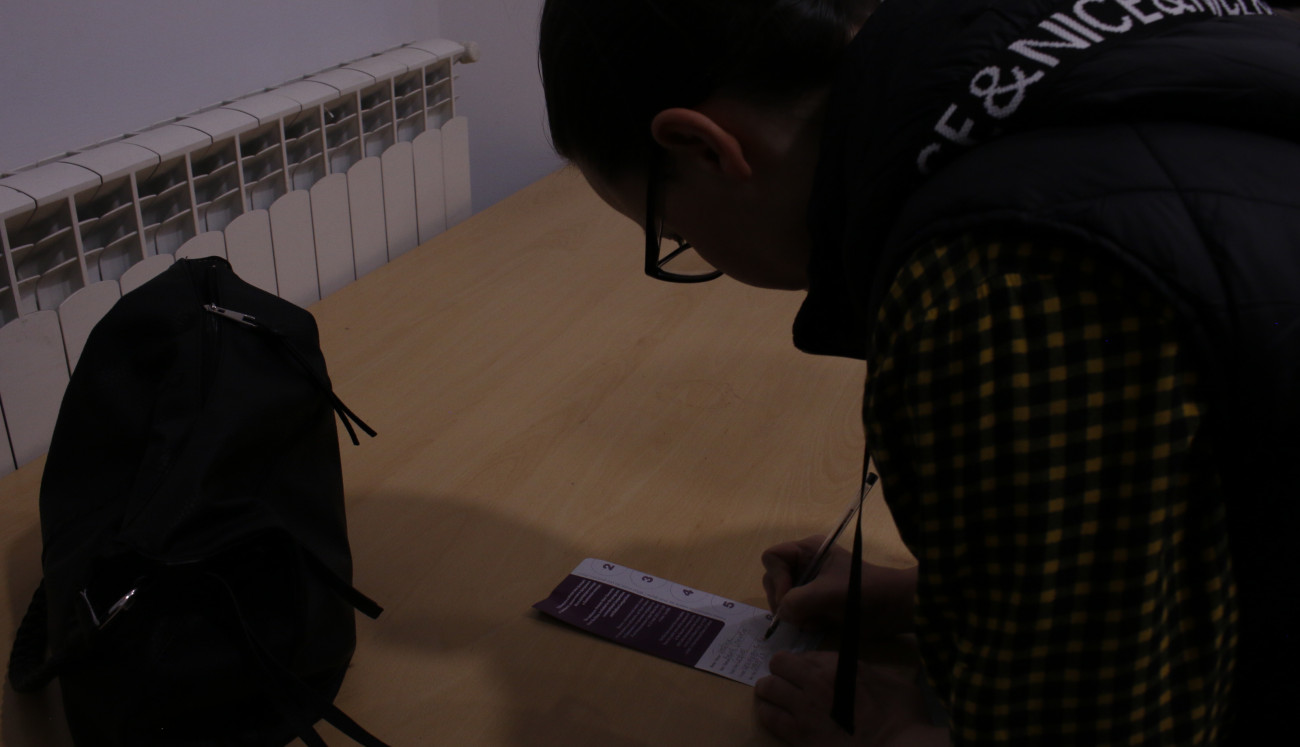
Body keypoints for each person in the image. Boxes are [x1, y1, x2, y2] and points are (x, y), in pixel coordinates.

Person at [538, 0, 1300, 744]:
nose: (691, 250)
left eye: (672, 233)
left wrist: (891, 731)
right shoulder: (1042, 44)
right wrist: (937, 596)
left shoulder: (1004, 285)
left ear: (706, 147)